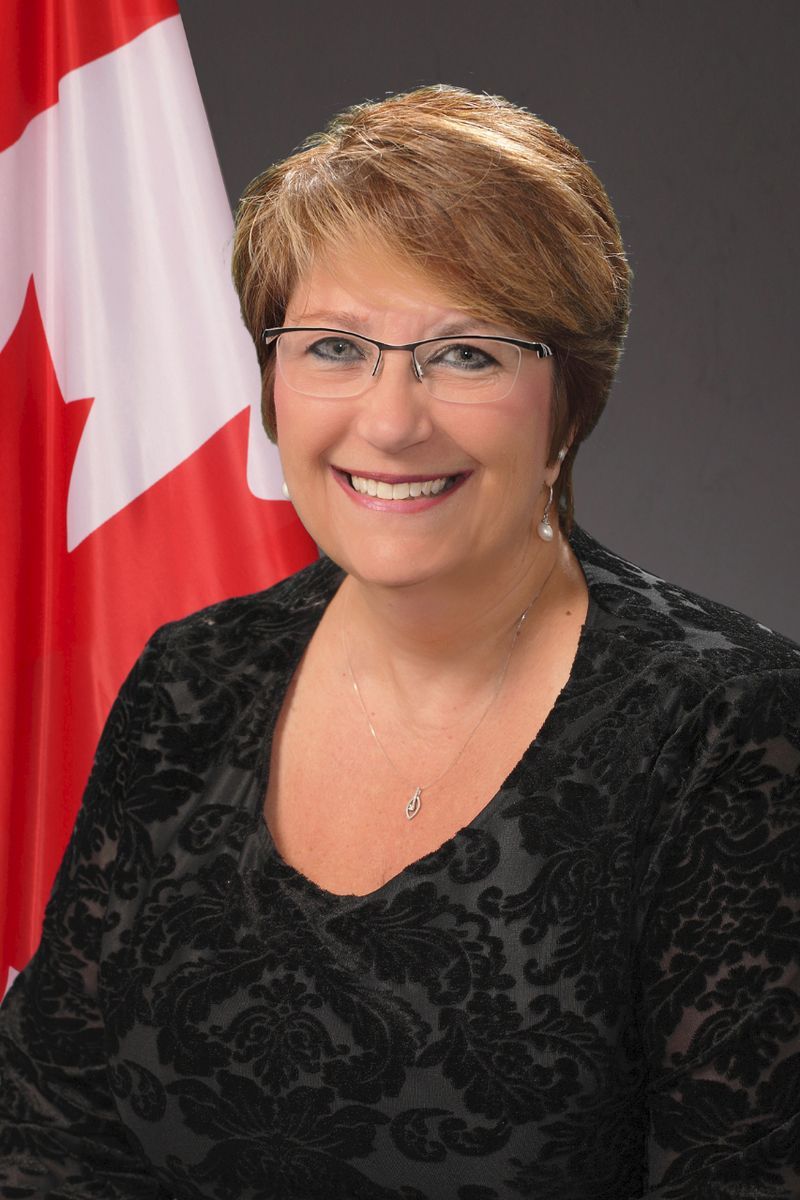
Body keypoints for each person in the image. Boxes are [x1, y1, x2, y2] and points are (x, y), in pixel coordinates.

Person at [1, 84, 798, 1200]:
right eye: (332, 347)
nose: (387, 421)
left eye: (464, 355)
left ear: (566, 402)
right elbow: (46, 1130)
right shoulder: (192, 681)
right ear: (274, 385)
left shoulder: (731, 732)